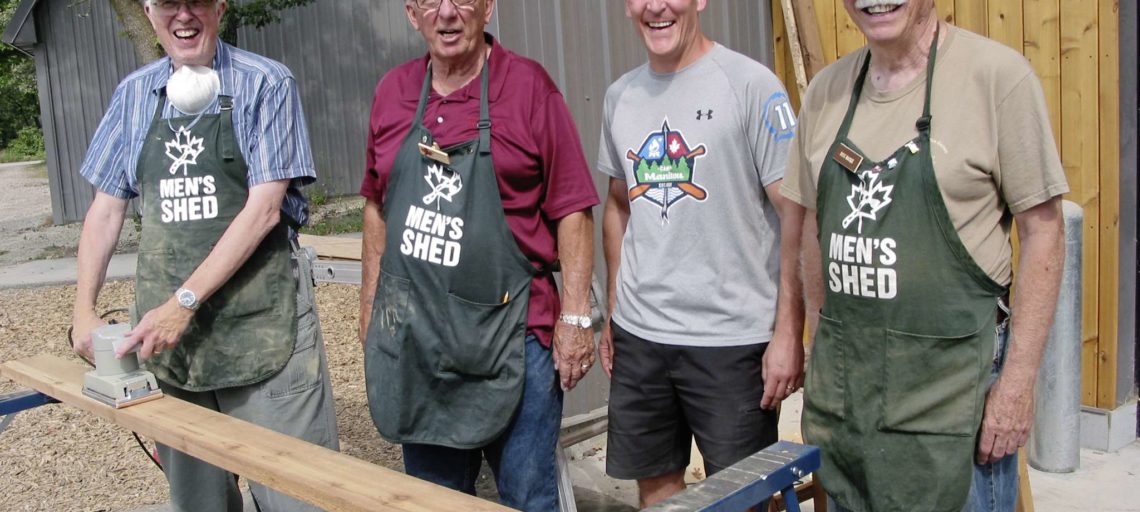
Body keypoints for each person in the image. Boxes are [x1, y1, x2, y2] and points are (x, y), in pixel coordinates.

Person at [780, 1, 1068, 510]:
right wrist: (813, 338)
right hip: (851, 398)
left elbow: (1043, 231)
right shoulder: (827, 91)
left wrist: (1018, 384)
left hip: (954, 405)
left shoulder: (996, 79)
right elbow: (806, 227)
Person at [69, 1, 339, 510]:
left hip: (263, 328)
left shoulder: (266, 83)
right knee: (199, 503)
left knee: (299, 493)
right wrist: (83, 310)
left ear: (220, 7)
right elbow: (105, 212)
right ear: (149, 13)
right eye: (169, 3)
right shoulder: (133, 96)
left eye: (197, 0)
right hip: (170, 346)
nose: (184, 15)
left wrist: (184, 302)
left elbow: (264, 209)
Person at [357, 0, 598, 509]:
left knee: (528, 498)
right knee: (435, 501)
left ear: (488, 7)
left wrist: (575, 316)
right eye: (430, 2)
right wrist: (370, 305)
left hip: (514, 340)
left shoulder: (530, 88)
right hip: (419, 348)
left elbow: (573, 207)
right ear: (411, 12)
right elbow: (376, 205)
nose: (447, 14)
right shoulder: (392, 92)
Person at [596, 0, 805, 507]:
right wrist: (616, 311)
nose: (656, 8)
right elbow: (619, 205)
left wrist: (788, 331)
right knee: (658, 492)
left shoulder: (751, 87)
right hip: (642, 337)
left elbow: (798, 216)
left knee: (741, 499)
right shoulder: (621, 96)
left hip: (732, 341)